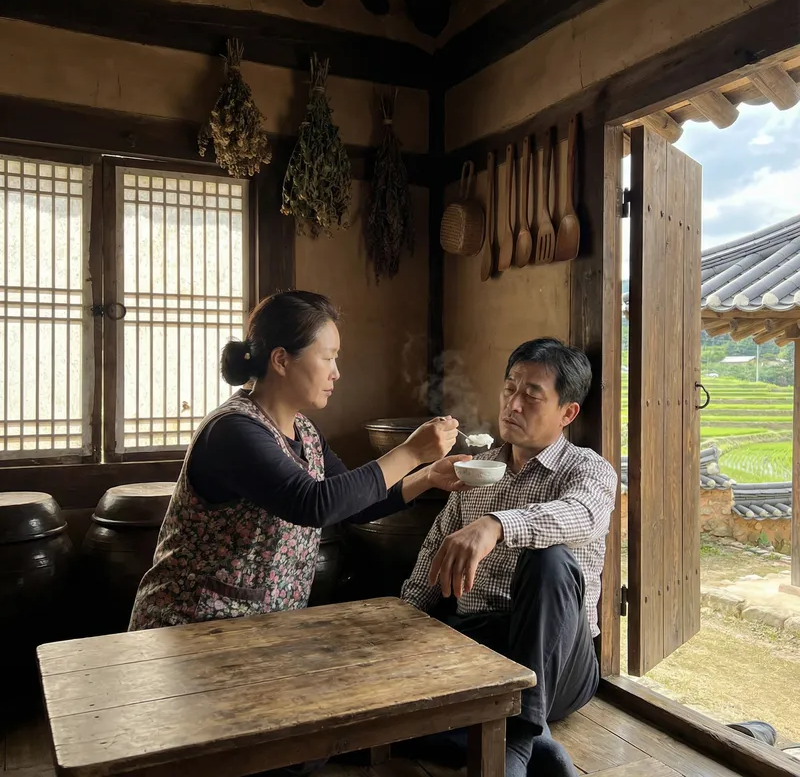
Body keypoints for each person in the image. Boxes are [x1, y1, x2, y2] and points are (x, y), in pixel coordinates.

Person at [129, 290, 468, 632]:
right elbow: (312, 503)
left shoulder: (304, 430)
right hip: (191, 627)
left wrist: (426, 476)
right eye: (327, 358)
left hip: (260, 633)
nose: (336, 373)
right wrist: (410, 452)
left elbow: (351, 505)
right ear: (281, 360)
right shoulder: (232, 430)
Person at [399, 338, 618, 777]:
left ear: (567, 413)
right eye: (509, 389)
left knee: (549, 560)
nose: (513, 404)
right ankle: (538, 748)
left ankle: (516, 743)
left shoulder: (588, 470)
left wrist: (496, 525)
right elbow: (432, 560)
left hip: (558, 663)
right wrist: (395, 629)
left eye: (532, 395)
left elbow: (581, 514)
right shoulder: (476, 469)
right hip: (477, 648)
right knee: (377, 707)